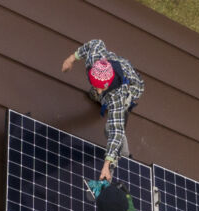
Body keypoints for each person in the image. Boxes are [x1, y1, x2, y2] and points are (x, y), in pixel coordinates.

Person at [60, 39, 144, 182]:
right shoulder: (94, 60)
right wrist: (71, 58)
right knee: (96, 94)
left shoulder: (117, 97)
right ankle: (99, 97)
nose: (99, 90)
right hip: (114, 68)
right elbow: (95, 43)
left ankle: (122, 156)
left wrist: (106, 164)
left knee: (109, 129)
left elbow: (116, 132)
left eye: (101, 88)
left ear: (108, 83)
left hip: (130, 87)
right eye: (96, 86)